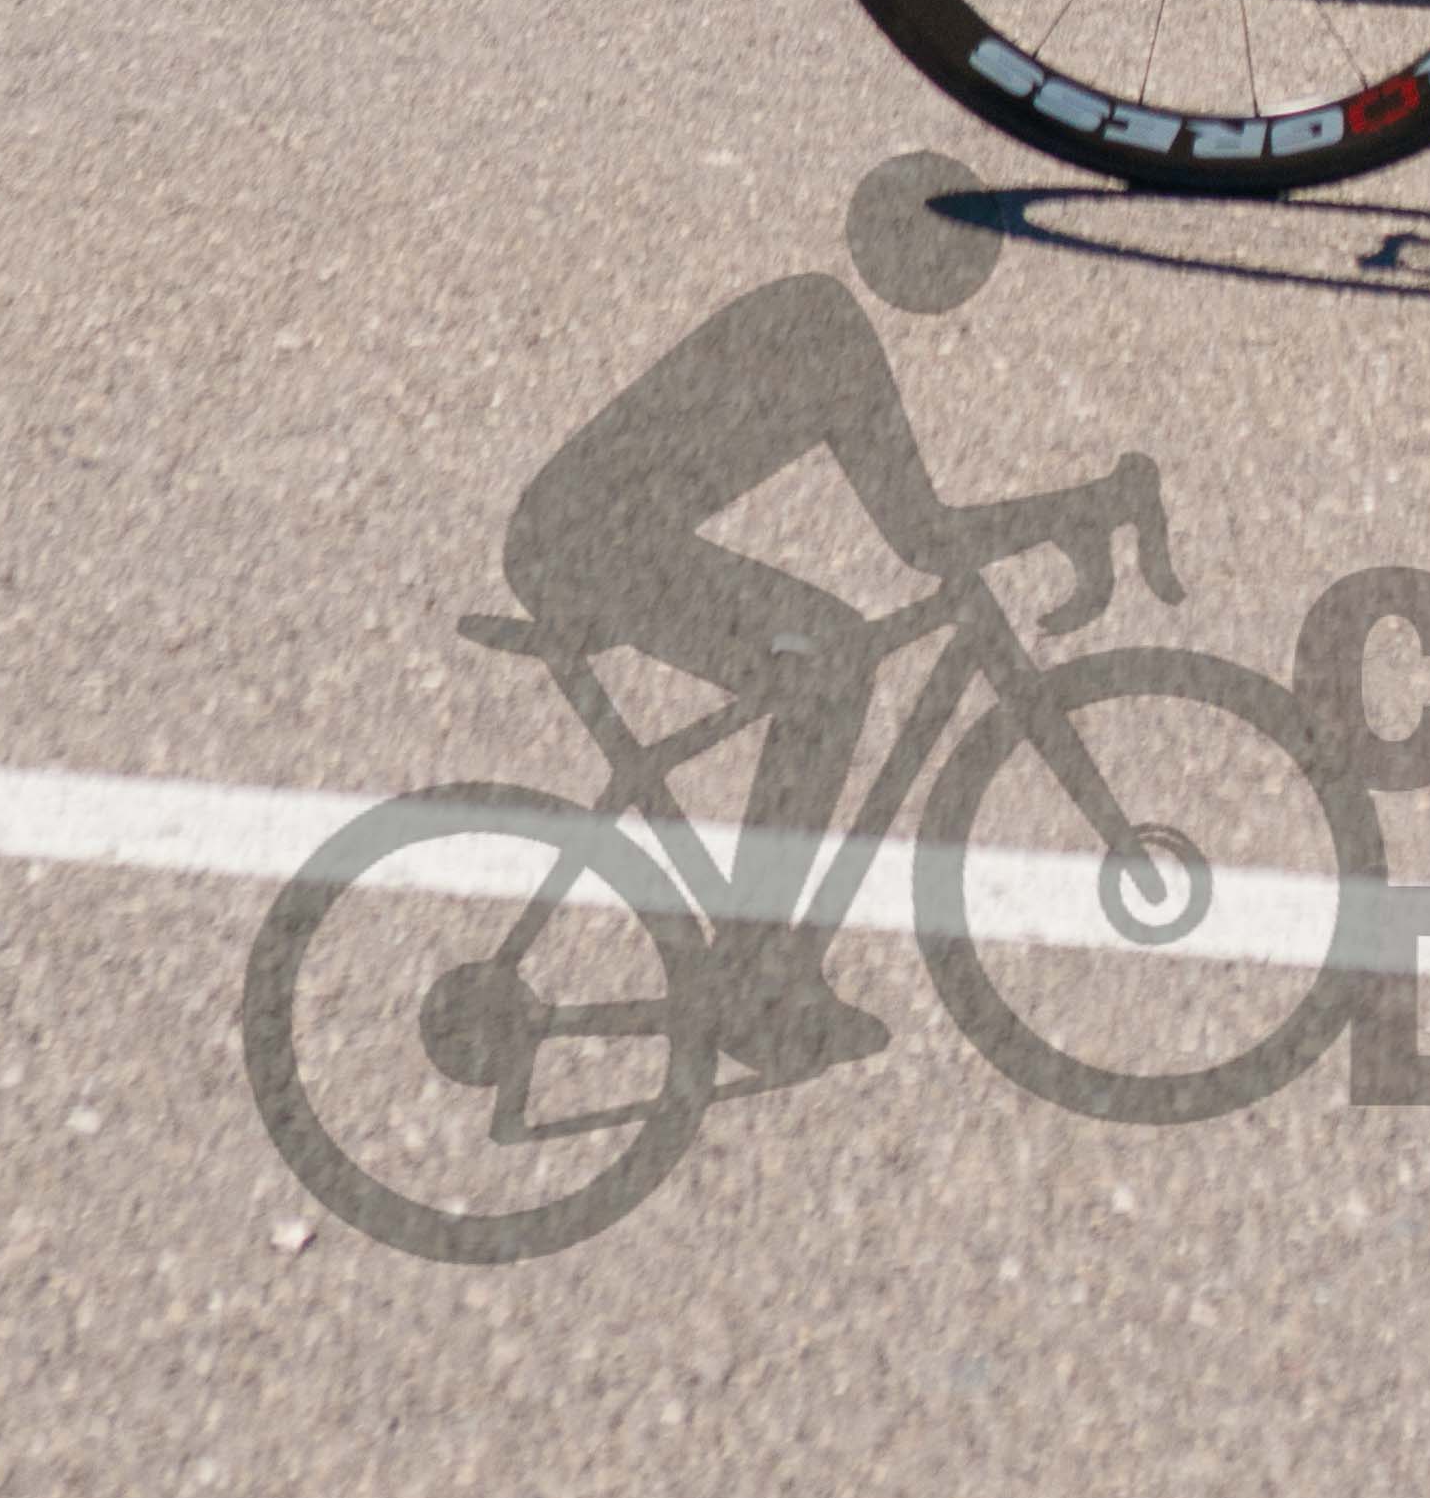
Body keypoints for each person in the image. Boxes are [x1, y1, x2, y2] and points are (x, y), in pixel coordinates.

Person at [476, 159, 1157, 1088]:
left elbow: (923, 533)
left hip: (590, 532)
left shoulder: (821, 312)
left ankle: (754, 960)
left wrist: (1069, 512)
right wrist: (1078, 508)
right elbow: (925, 539)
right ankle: (751, 980)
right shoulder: (827, 330)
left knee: (829, 653)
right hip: (586, 542)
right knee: (832, 662)